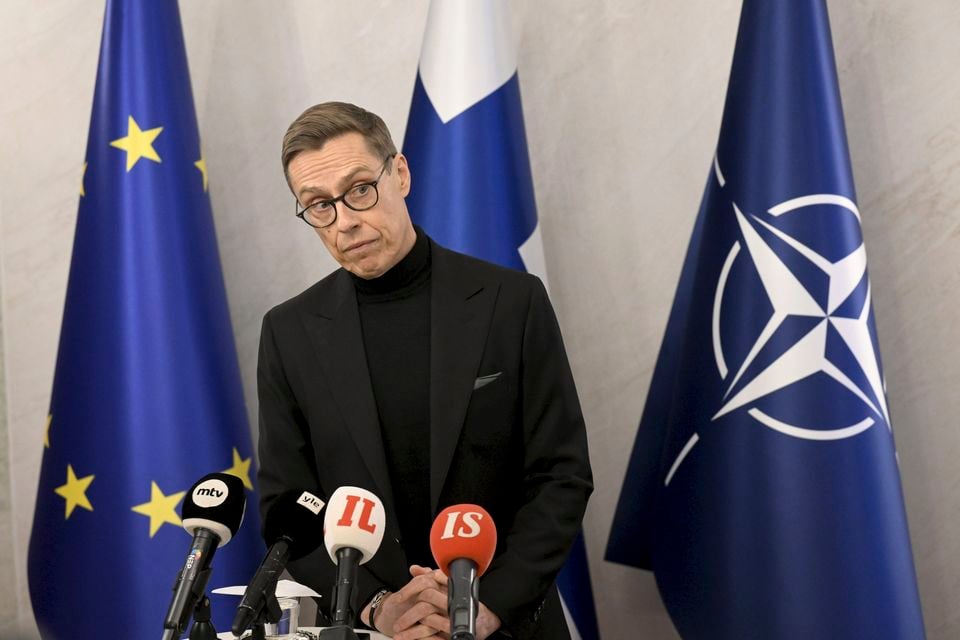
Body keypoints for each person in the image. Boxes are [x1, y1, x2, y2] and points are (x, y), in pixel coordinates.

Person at [257, 102, 592, 640]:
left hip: (507, 624)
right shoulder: (289, 332)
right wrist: (378, 606)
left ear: (401, 174)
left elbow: (560, 475)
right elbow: (289, 509)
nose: (345, 221)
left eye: (360, 189)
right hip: (371, 628)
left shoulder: (512, 302)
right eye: (318, 205)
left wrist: (487, 605)